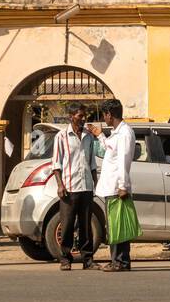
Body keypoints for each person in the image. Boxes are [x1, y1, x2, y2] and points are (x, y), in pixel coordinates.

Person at [89, 100, 136, 273]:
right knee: (116, 226)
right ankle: (118, 260)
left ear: (109, 114)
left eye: (104, 115)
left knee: (118, 226)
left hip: (117, 187)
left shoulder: (124, 133)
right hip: (111, 187)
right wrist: (100, 135)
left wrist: (123, 186)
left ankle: (120, 261)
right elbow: (110, 149)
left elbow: (123, 161)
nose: (104, 118)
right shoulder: (117, 133)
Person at [49, 104, 97, 270]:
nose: (83, 119)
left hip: (86, 187)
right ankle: (65, 258)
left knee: (86, 225)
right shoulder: (61, 137)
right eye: (79, 116)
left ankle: (88, 259)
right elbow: (56, 163)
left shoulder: (88, 137)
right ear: (71, 116)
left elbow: (92, 163)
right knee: (67, 224)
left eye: (84, 116)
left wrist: (94, 184)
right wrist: (60, 185)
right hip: (69, 187)